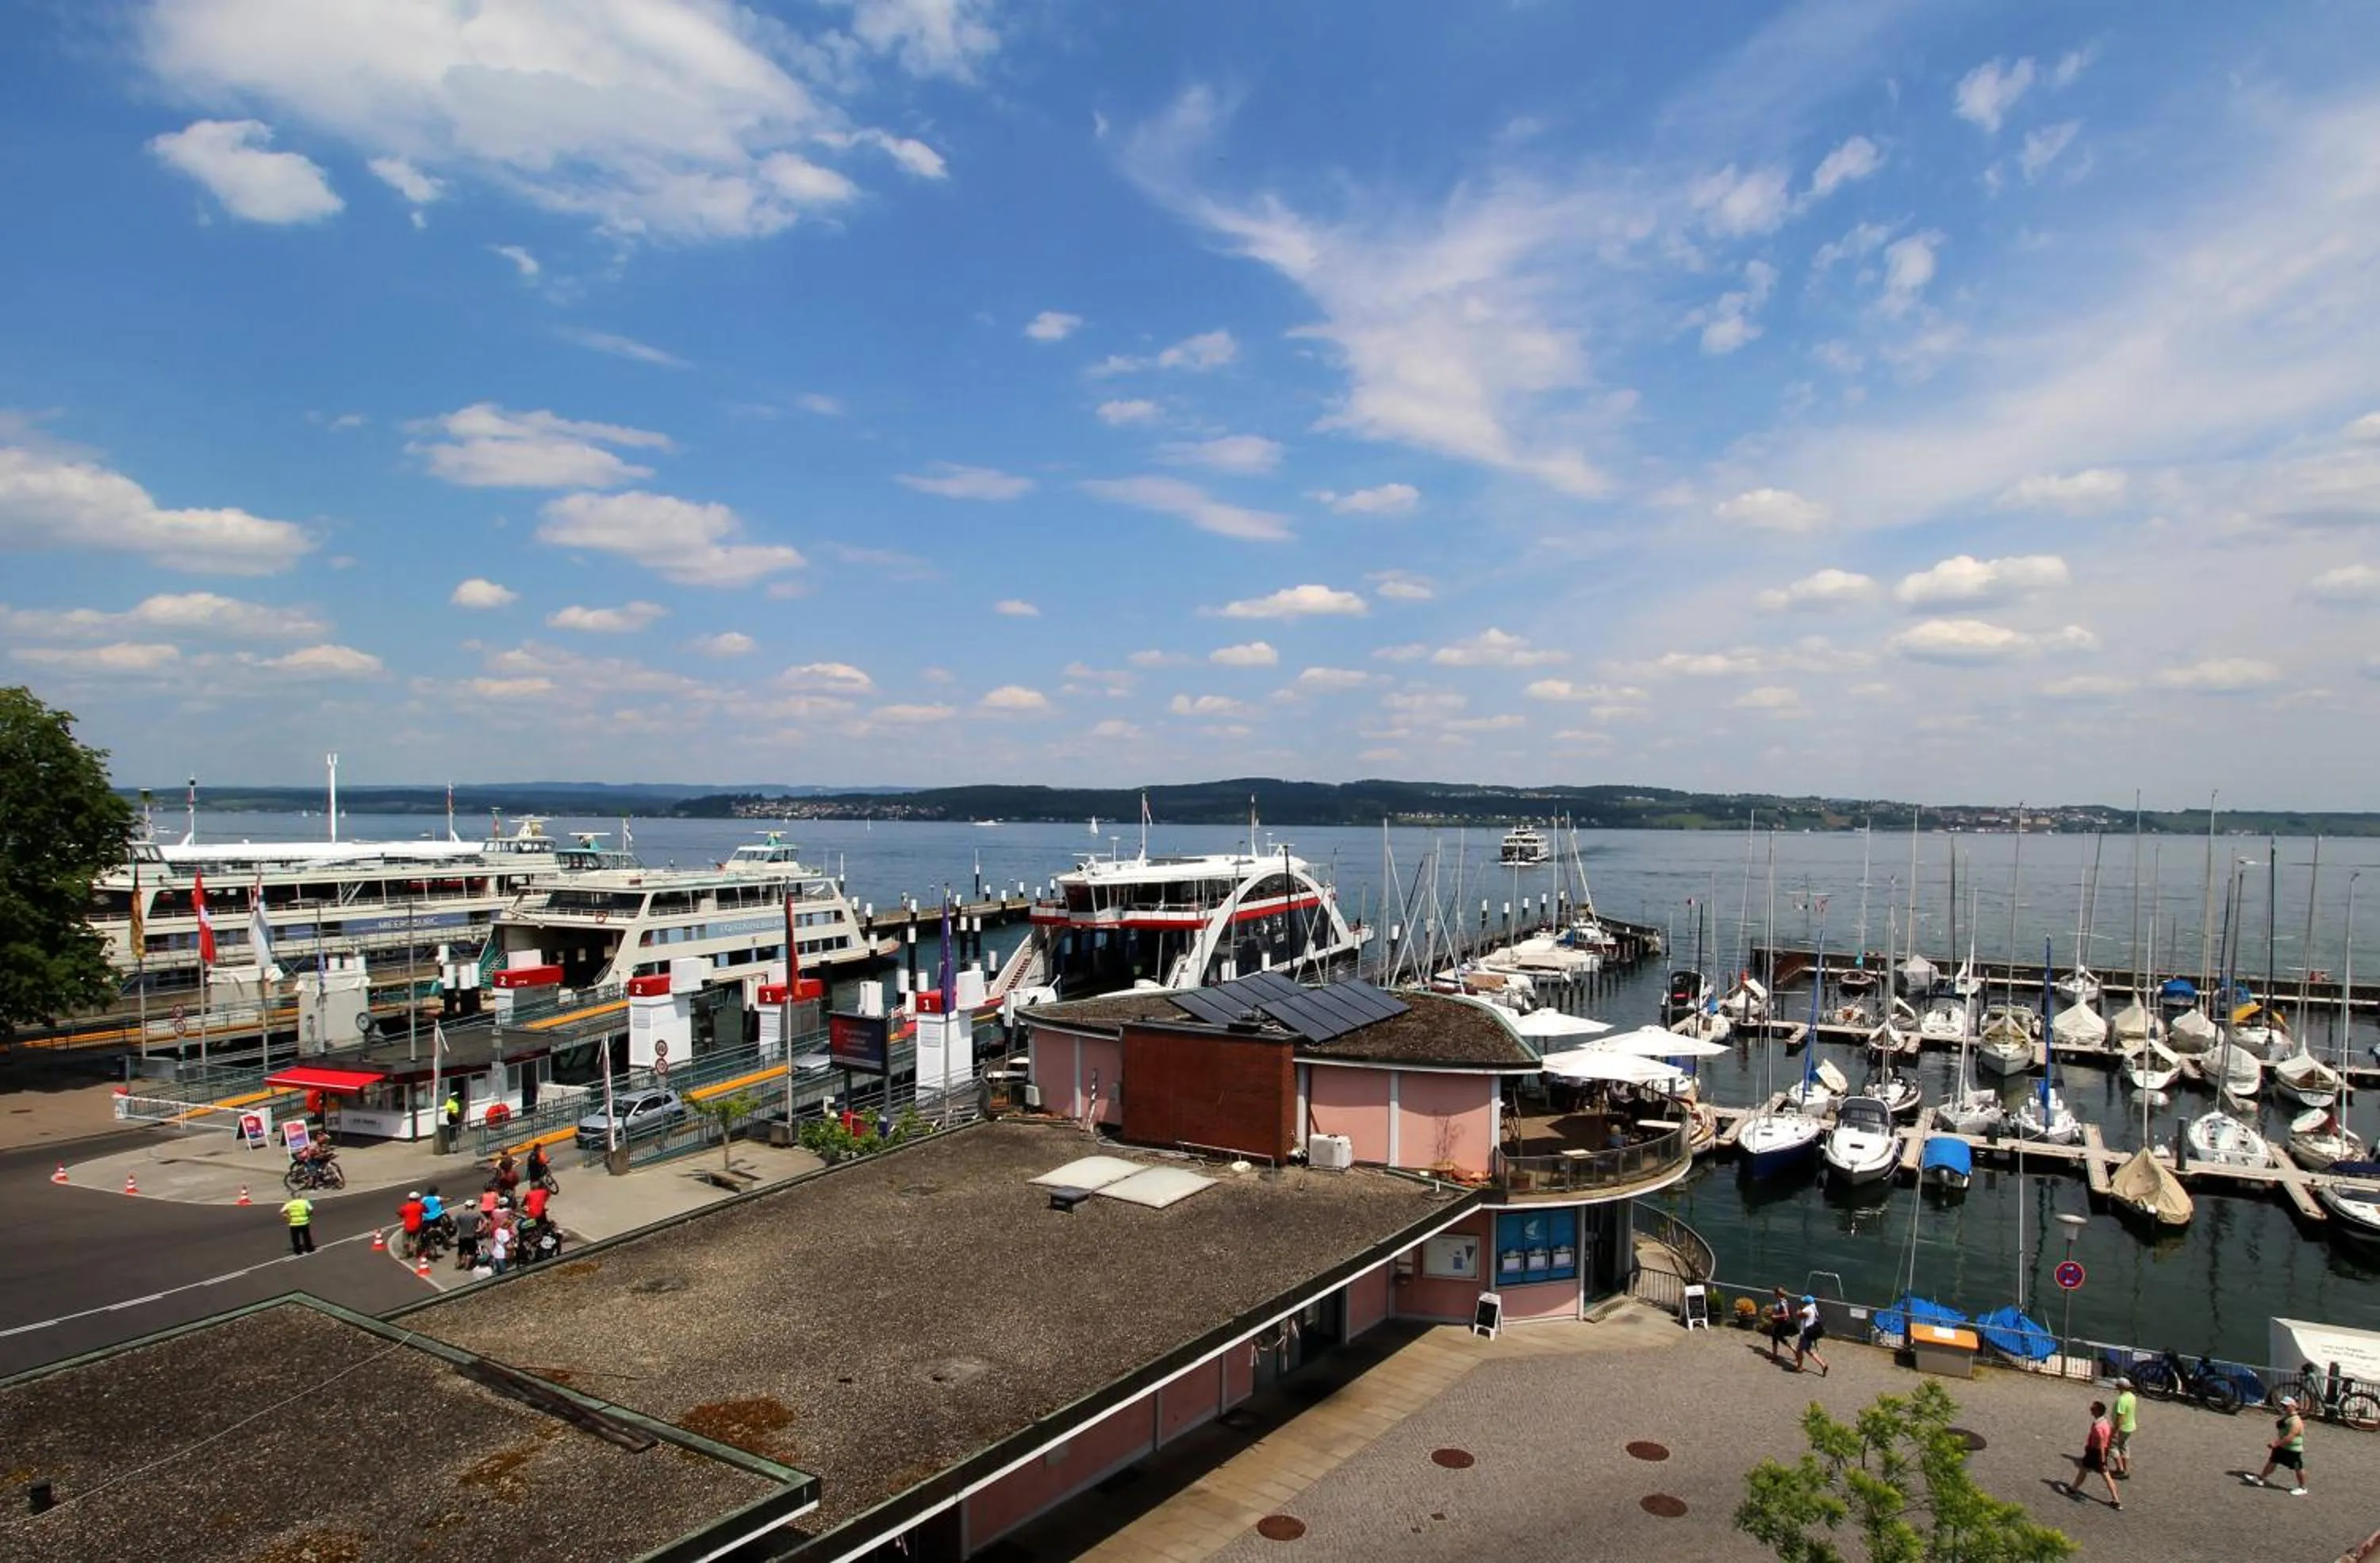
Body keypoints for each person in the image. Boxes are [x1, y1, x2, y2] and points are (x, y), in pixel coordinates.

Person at [2248, 1396, 2309, 1495]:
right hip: (2282, 1447)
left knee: (2298, 1468)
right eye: (2283, 1406)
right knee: (2272, 1461)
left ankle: (2302, 1488)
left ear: (2293, 1406)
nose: (2283, 1408)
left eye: (2286, 1406)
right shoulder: (2288, 1417)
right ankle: (2260, 1479)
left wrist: (2275, 1444)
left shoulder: (2296, 1421)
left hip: (2292, 1449)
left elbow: (2290, 1437)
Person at [2075, 1400, 2122, 1509]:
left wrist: (2102, 1459)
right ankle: (2116, 1500)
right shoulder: (2104, 1423)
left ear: (2097, 1411)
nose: (2090, 1410)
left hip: (2094, 1452)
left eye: (2092, 1409)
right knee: (2103, 1475)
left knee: (2085, 1470)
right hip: (2100, 1451)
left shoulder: (2098, 1427)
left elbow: (2100, 1443)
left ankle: (2073, 1488)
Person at [1792, 1294, 1830, 1377]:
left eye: (1803, 1301)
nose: (1802, 1302)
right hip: (1811, 1332)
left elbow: (1799, 1315)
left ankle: (1799, 1367)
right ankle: (1823, 1365)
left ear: (1806, 1302)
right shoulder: (1814, 1307)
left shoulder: (1807, 1310)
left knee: (1799, 1350)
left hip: (1806, 1333)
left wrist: (1799, 1309)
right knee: (1808, 1350)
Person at [2110, 1377, 2138, 1478]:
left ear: (2119, 1387)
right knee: (2124, 1447)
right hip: (2130, 1426)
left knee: (2112, 1447)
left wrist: (2114, 1431)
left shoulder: (2121, 1400)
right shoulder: (2132, 1396)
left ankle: (2120, 1469)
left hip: (2122, 1428)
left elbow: (2120, 1418)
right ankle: (2126, 1469)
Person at [1765, 1286, 1796, 1363]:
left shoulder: (1782, 1302)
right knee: (1776, 1337)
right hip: (1780, 1322)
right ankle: (1775, 1355)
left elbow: (1786, 1314)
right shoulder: (1781, 1301)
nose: (1774, 1295)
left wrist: (1775, 1316)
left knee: (1779, 1337)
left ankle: (1794, 1350)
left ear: (1778, 1294)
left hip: (1783, 1323)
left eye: (1775, 1293)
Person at [280, 1192, 316, 1256]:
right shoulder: (304, 1202)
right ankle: (309, 1248)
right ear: (300, 1196)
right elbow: (311, 1210)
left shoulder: (289, 1204)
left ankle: (298, 1251)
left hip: (294, 1223)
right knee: (306, 1236)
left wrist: (288, 1218)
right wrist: (309, 1215)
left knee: (295, 1238)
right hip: (304, 1222)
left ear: (293, 1197)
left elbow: (282, 1212)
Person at [452, 1203, 483, 1272]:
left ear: (466, 1206)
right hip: (471, 1236)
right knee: (471, 1253)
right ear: (473, 1206)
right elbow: (485, 1222)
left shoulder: (460, 1214)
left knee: (461, 1251)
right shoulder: (477, 1215)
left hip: (461, 1236)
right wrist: (480, 1229)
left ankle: (459, 1263)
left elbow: (455, 1225)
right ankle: (467, 1266)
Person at [397, 1190, 426, 1256]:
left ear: (409, 1199)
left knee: (405, 1240)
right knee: (416, 1239)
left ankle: (405, 1253)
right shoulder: (420, 1206)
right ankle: (416, 1248)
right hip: (418, 1226)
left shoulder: (404, 1207)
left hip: (407, 1227)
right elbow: (426, 1210)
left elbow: (400, 1215)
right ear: (417, 1199)